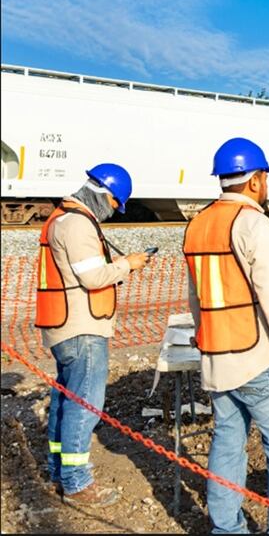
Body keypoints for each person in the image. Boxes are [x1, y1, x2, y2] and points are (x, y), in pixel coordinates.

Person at [184, 137, 269, 534]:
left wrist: (202, 333)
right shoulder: (256, 226)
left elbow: (196, 296)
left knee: (227, 444)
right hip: (261, 360)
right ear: (257, 180)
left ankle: (227, 529)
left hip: (218, 360)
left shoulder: (198, 225)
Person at [37, 163, 150, 507]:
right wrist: (128, 265)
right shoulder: (77, 224)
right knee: (84, 405)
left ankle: (59, 470)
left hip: (67, 325)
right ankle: (76, 482)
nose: (114, 212)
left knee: (66, 400)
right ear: (105, 194)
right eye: (116, 204)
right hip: (82, 328)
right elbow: (93, 277)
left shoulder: (64, 218)